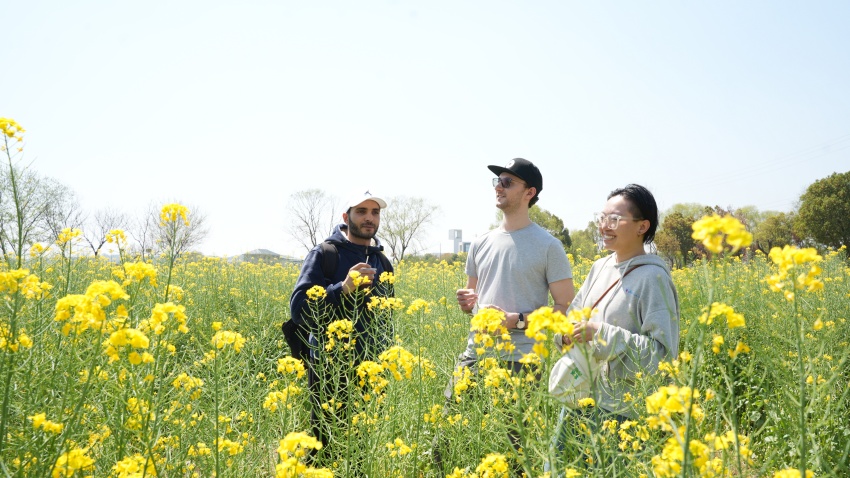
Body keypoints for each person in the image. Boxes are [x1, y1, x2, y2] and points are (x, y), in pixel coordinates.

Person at [438, 158, 576, 471]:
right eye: (497, 181)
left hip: (521, 361)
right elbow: (472, 301)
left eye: (507, 182)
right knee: (444, 442)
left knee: (516, 455)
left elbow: (564, 306)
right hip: (475, 354)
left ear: (529, 192)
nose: (498, 187)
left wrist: (516, 320)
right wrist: (467, 303)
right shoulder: (481, 242)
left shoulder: (548, 246)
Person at [548, 184, 680, 474]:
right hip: (580, 397)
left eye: (614, 219)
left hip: (622, 413)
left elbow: (664, 356)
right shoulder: (599, 268)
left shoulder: (653, 279)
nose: (604, 226)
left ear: (642, 226)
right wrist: (567, 334)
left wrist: (601, 333)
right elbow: (571, 317)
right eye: (602, 217)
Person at [288, 190, 395, 465]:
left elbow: (387, 318)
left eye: (375, 212)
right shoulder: (325, 254)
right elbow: (299, 310)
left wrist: (386, 361)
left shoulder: (383, 262)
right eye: (361, 211)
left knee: (360, 452)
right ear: (346, 217)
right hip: (329, 371)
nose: (369, 218)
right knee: (325, 447)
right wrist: (343, 288)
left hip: (370, 371)